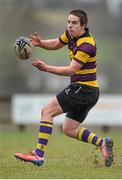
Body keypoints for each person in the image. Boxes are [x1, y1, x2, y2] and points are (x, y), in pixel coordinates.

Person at [14, 9, 113, 167]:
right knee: (69, 128)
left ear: (84, 26)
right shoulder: (70, 35)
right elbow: (56, 43)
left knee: (47, 111)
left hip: (83, 89)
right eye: (68, 22)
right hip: (89, 91)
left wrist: (46, 68)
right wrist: (41, 43)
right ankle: (103, 143)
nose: (70, 26)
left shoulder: (87, 44)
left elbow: (71, 70)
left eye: (74, 23)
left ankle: (38, 154)